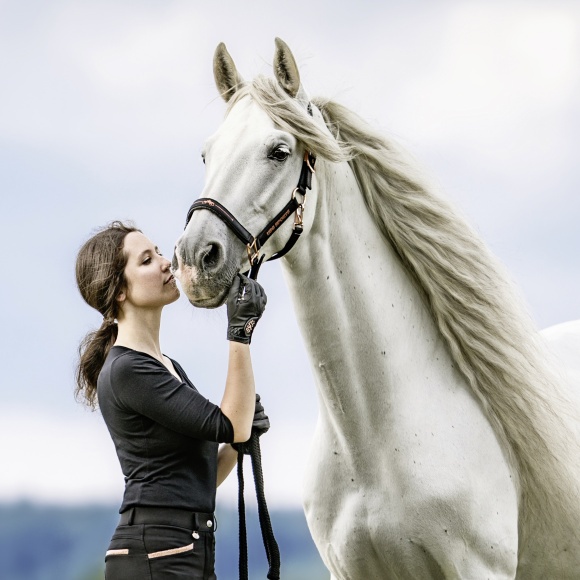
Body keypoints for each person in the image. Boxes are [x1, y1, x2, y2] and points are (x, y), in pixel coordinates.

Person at [74, 221, 269, 579]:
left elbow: (198, 479)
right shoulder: (126, 370)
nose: (167, 262)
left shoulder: (165, 366)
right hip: (156, 554)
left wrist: (240, 445)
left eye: (160, 252)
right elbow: (229, 424)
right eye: (147, 260)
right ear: (120, 290)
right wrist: (239, 334)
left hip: (183, 548)